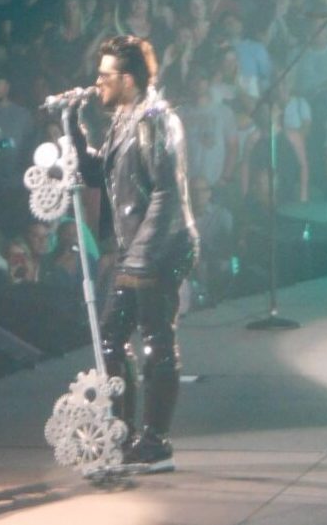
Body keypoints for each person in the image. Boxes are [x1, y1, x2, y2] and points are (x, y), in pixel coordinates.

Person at [67, 35, 198, 472]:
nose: (97, 83)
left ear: (128, 78)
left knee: (155, 338)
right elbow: (95, 174)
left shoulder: (156, 120)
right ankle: (121, 433)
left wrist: (142, 254)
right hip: (136, 248)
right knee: (110, 337)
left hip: (161, 246)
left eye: (104, 76)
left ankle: (156, 442)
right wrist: (73, 126)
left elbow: (166, 192)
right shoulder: (123, 118)